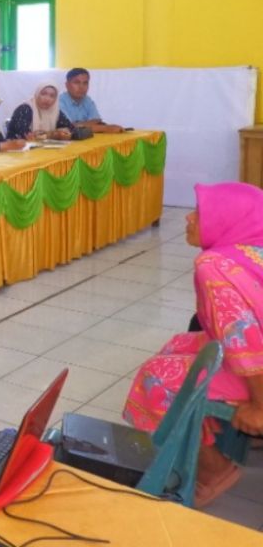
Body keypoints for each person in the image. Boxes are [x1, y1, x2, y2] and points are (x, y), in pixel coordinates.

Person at [123, 183, 263, 506]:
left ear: (227, 221)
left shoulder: (214, 268)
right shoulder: (251, 250)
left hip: (257, 373)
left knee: (155, 379)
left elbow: (248, 343)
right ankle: (199, 426)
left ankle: (213, 470)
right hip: (249, 361)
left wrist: (259, 406)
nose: (188, 218)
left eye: (200, 213)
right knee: (177, 345)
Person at [58, 68, 124, 133]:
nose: (81, 87)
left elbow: (97, 120)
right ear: (67, 85)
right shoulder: (59, 101)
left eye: (85, 83)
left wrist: (79, 124)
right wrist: (105, 128)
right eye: (76, 82)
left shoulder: (87, 100)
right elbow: (70, 128)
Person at [6, 82, 75, 141]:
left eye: (52, 96)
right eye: (43, 94)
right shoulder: (25, 109)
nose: (47, 99)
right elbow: (26, 135)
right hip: (17, 151)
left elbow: (70, 128)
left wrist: (64, 132)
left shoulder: (55, 111)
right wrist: (52, 135)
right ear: (37, 94)